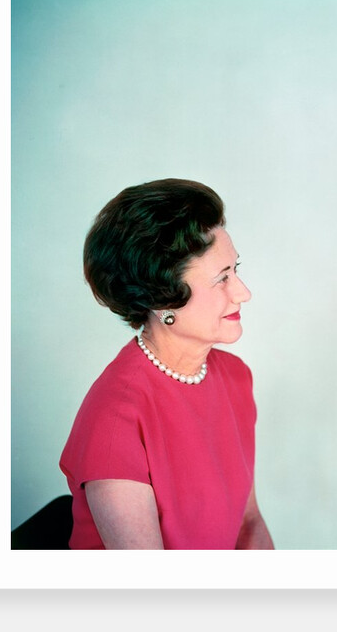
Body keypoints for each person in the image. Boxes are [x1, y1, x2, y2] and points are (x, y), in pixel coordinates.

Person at [59, 178, 274, 550]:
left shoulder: (235, 377)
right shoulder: (114, 422)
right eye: (221, 279)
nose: (243, 292)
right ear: (163, 299)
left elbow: (248, 523)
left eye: (235, 269)